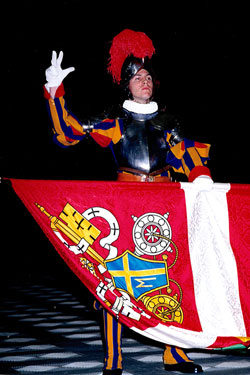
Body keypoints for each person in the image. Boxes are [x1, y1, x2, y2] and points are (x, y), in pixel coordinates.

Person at [44, 29, 212, 374]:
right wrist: (54, 91)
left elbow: (189, 157)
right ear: (127, 84)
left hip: (166, 204)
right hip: (126, 205)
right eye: (137, 76)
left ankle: (174, 354)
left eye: (148, 75)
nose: (144, 80)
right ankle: (113, 359)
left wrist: (201, 177)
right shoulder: (116, 123)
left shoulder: (168, 123)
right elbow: (68, 133)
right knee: (115, 280)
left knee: (172, 276)